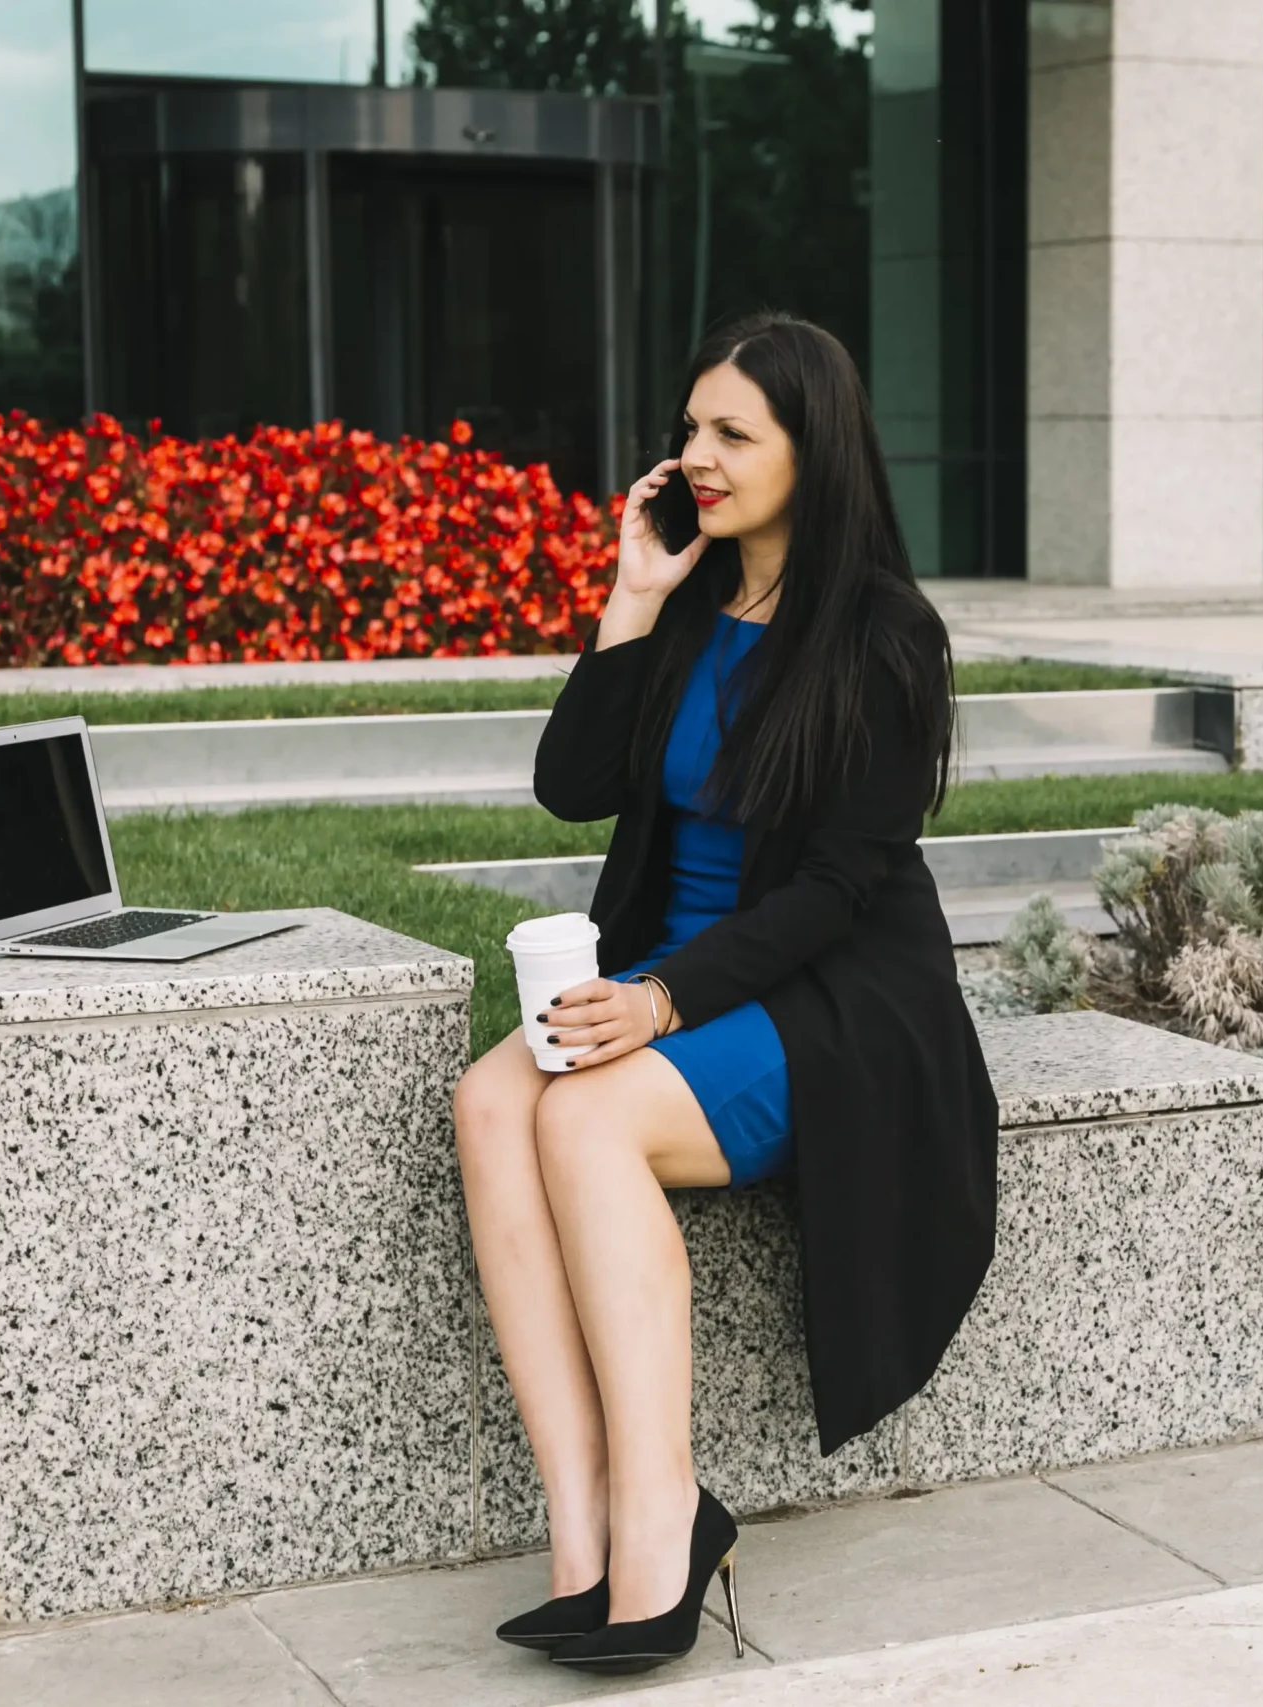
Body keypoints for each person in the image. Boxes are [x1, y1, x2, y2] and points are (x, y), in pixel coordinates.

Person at [449, 313, 998, 1676]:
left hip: (826, 997)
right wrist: (631, 594)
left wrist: (664, 1004)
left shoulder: (884, 638)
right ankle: (581, 1530)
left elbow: (836, 891)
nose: (693, 455)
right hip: (667, 979)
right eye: (689, 427)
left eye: (731, 434)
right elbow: (570, 786)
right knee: (486, 1101)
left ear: (813, 451)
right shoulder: (690, 605)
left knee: (583, 1122)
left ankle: (664, 1515)